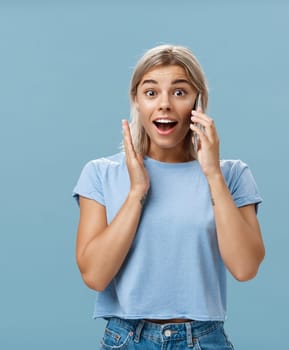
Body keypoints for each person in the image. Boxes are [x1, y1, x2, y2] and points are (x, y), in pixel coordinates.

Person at [72, 44, 264, 350]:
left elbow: (245, 268)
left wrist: (212, 174)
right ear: (136, 100)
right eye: (151, 93)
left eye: (179, 92)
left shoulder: (232, 175)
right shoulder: (100, 174)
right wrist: (137, 191)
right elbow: (95, 275)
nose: (164, 105)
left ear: (198, 102)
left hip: (203, 340)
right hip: (127, 339)